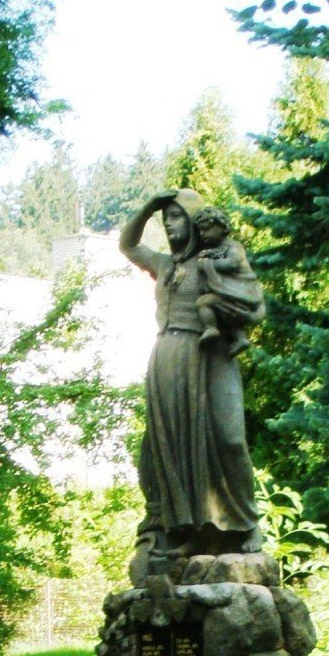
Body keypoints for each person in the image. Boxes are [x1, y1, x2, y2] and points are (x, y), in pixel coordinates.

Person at [115, 188, 267, 571]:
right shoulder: (164, 265)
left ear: (195, 221)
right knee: (175, 449)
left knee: (228, 437)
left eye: (177, 216)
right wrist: (150, 204)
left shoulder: (216, 258)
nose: (169, 224)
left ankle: (246, 526)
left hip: (209, 354)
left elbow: (251, 301)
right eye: (166, 219)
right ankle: (190, 533)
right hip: (167, 357)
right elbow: (127, 243)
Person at [189, 206, 258, 351]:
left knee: (203, 302)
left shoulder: (234, 246)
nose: (202, 234)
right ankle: (240, 339)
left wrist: (207, 264)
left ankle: (211, 328)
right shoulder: (216, 249)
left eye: (206, 229)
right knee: (225, 317)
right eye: (200, 231)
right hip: (231, 294)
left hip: (240, 293)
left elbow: (232, 264)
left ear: (221, 227)